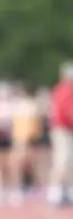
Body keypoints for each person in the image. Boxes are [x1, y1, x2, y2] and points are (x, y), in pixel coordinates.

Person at [47, 61, 73, 206]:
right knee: (62, 160)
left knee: (68, 161)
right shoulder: (66, 90)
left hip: (63, 129)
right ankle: (55, 192)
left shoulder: (60, 89)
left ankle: (66, 191)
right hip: (63, 129)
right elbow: (68, 112)